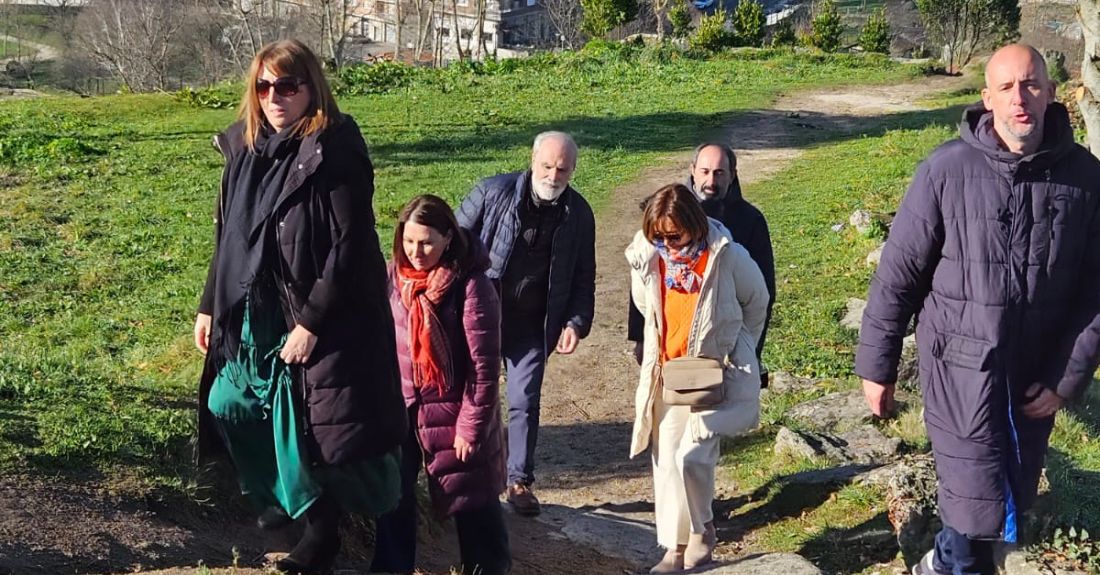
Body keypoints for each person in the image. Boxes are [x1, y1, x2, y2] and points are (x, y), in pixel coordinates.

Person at [855, 44, 1100, 575]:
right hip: (959, 369)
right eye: (1007, 88)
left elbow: (1096, 293)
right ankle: (952, 564)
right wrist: (878, 366)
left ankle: (938, 565)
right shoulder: (946, 171)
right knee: (974, 508)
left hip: (1035, 377)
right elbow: (898, 276)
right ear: (987, 98)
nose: (1020, 100)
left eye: (1031, 85)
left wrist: (1066, 377)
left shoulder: (1085, 179)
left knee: (1006, 498)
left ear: (1052, 93)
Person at [192, 39, 406, 575]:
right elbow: (230, 239)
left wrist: (311, 322)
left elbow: (352, 243)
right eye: (264, 86)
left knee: (313, 431)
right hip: (254, 308)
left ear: (312, 88)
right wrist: (208, 306)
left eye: (287, 86)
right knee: (228, 401)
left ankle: (321, 538)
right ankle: (281, 497)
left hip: (316, 308)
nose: (274, 97)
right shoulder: (245, 150)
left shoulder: (334, 147)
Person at [626, 183, 769, 573]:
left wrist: (739, 347)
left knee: (694, 455)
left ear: (694, 224)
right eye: (659, 237)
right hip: (671, 373)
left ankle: (703, 531)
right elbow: (646, 307)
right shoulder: (648, 258)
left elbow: (758, 302)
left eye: (675, 236)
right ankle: (675, 548)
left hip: (715, 373)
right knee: (669, 462)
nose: (668, 245)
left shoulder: (728, 256)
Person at [455, 131, 596, 516]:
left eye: (562, 169)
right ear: (532, 161)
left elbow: (584, 275)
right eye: (547, 166)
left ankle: (518, 481)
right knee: (471, 394)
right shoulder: (490, 193)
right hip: (482, 317)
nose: (553, 175)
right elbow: (450, 244)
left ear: (573, 169)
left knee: (524, 400)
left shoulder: (580, 214)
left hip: (535, 324)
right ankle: (464, 473)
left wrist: (575, 322)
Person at [370, 195, 511, 575]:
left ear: (449, 238)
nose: (416, 251)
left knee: (471, 495)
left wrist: (470, 428)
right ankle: (390, 568)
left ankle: (488, 568)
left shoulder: (471, 287)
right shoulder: (392, 278)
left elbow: (483, 369)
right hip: (404, 407)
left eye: (427, 242)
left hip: (454, 411)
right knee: (393, 494)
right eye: (409, 241)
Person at [627, 143, 775, 387]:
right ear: (692, 170)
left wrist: (748, 350)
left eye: (719, 173)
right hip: (671, 350)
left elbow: (760, 296)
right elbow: (644, 279)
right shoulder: (665, 211)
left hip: (720, 348)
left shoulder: (750, 221)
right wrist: (640, 337)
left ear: (733, 174)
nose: (711, 181)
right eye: (705, 171)